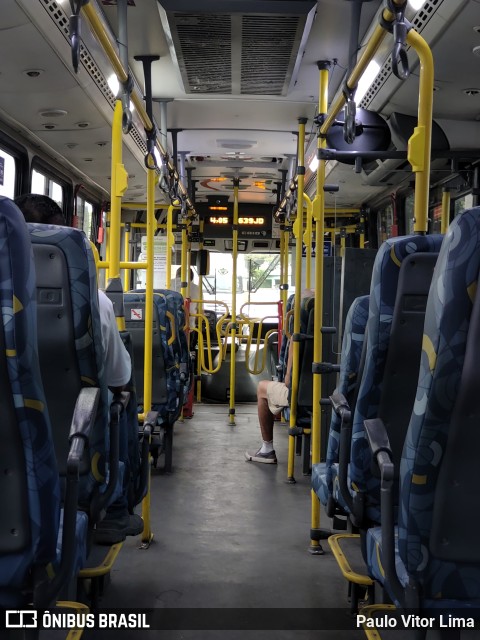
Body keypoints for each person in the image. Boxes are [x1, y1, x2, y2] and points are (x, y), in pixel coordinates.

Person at [15, 193, 142, 543]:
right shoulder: (93, 304)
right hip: (74, 451)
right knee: (124, 396)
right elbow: (118, 376)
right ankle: (117, 506)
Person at [245, 288, 314, 464]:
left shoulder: (297, 337)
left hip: (303, 398)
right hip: (335, 398)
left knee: (262, 387)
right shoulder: (340, 325)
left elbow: (289, 381)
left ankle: (267, 449)